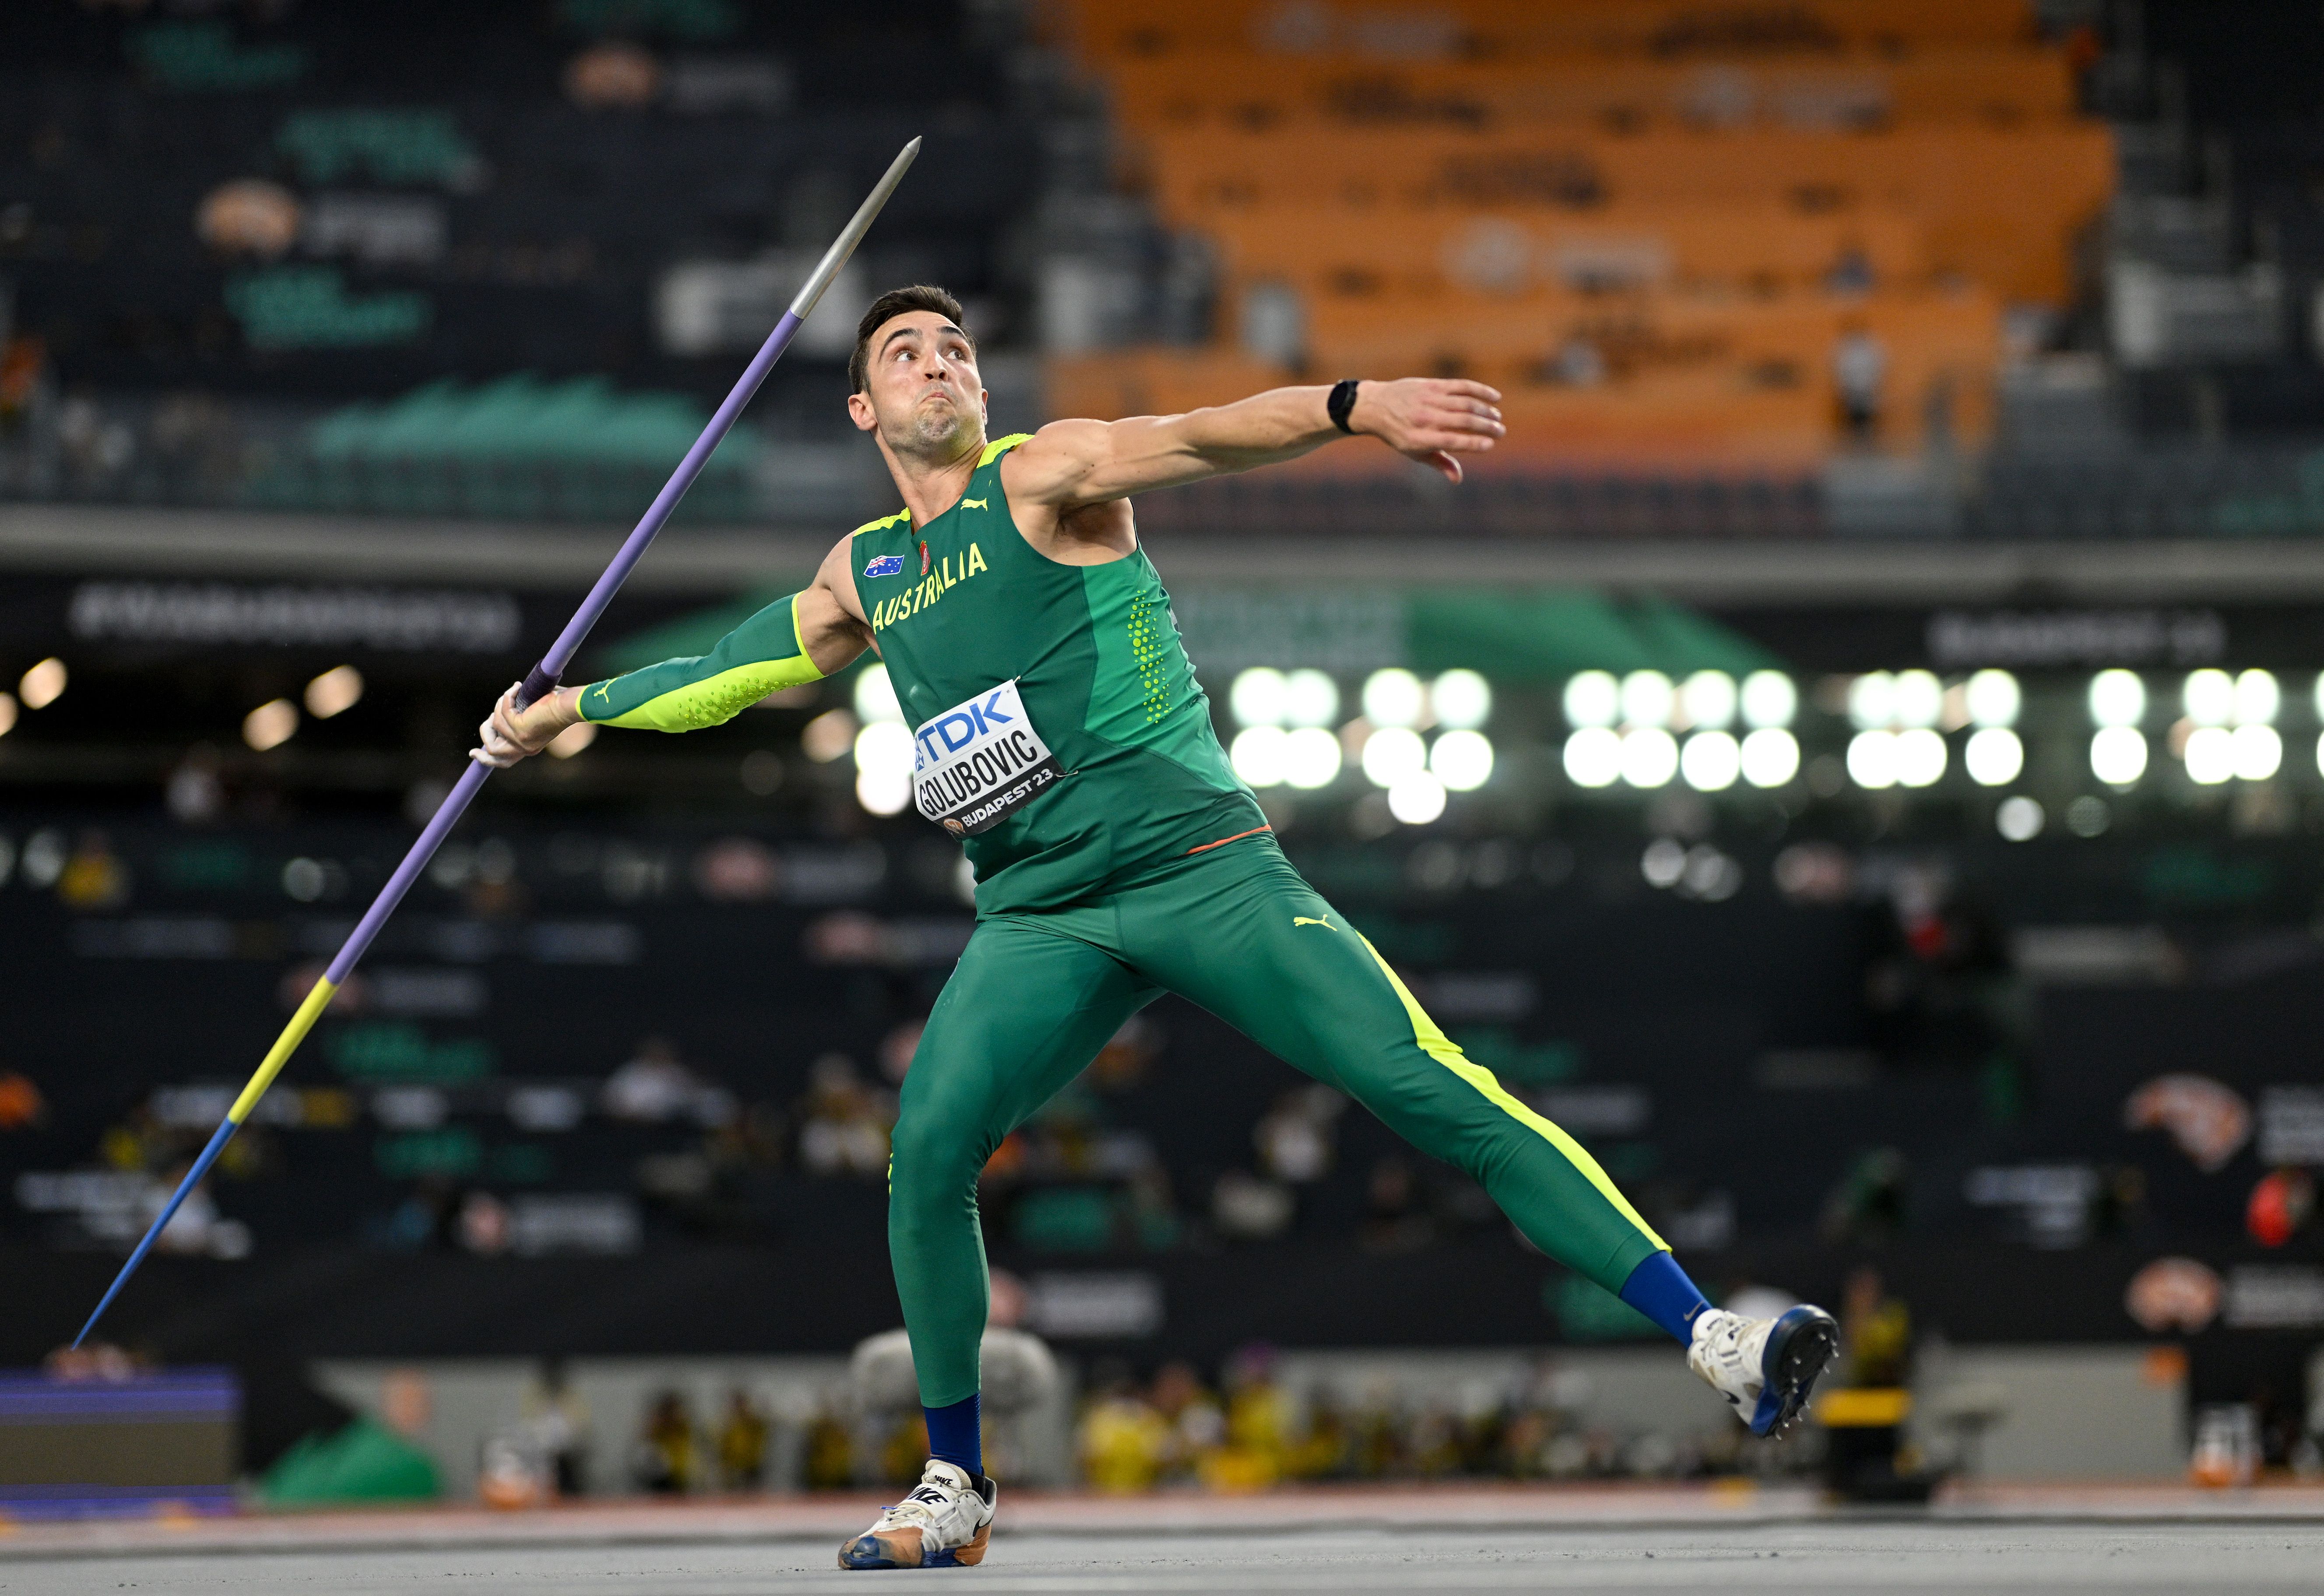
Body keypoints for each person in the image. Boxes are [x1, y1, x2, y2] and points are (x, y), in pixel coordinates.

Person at [475, 284, 1838, 1569]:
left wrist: (1353, 404)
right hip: (1041, 916)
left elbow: (1200, 434)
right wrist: (572, 709)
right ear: (861, 413)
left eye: (955, 349)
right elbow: (731, 673)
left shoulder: (1045, 474)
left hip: (1202, 869)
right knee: (929, 1148)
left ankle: (1716, 1341)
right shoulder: (866, 569)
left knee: (1427, 1085)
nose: (939, 365)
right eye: (905, 355)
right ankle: (956, 1490)